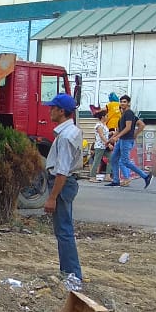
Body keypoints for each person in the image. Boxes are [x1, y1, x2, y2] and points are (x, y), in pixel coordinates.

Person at [42, 93, 84, 288]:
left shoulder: (66, 137)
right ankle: (69, 273)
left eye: (53, 108)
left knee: (64, 231)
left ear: (61, 111)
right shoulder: (71, 131)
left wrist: (52, 198)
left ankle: (72, 276)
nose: (49, 111)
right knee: (64, 230)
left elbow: (62, 172)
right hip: (67, 184)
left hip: (62, 185)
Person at [105, 94, 153, 189]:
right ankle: (116, 180)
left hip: (126, 140)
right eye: (121, 102)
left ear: (128, 103)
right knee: (114, 158)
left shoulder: (129, 113)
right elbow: (120, 129)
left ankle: (146, 176)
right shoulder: (123, 116)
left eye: (124, 102)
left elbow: (128, 128)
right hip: (122, 140)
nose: (122, 104)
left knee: (125, 161)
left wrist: (132, 135)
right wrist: (110, 139)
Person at [88, 107, 111, 182]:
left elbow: (105, 134)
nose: (107, 117)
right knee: (97, 161)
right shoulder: (99, 125)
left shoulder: (104, 125)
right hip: (100, 146)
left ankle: (108, 175)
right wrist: (108, 144)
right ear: (103, 117)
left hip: (104, 146)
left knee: (111, 159)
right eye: (107, 116)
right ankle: (92, 177)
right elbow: (101, 136)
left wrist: (111, 133)